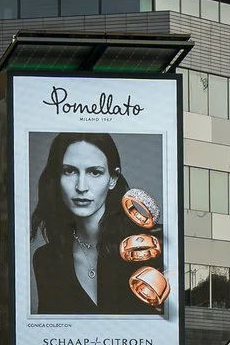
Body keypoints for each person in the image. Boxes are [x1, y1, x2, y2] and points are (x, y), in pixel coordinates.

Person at [29, 131, 166, 317]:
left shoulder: (151, 246)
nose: (81, 187)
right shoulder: (46, 260)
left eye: (94, 172)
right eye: (69, 171)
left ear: (112, 179)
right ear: (57, 177)